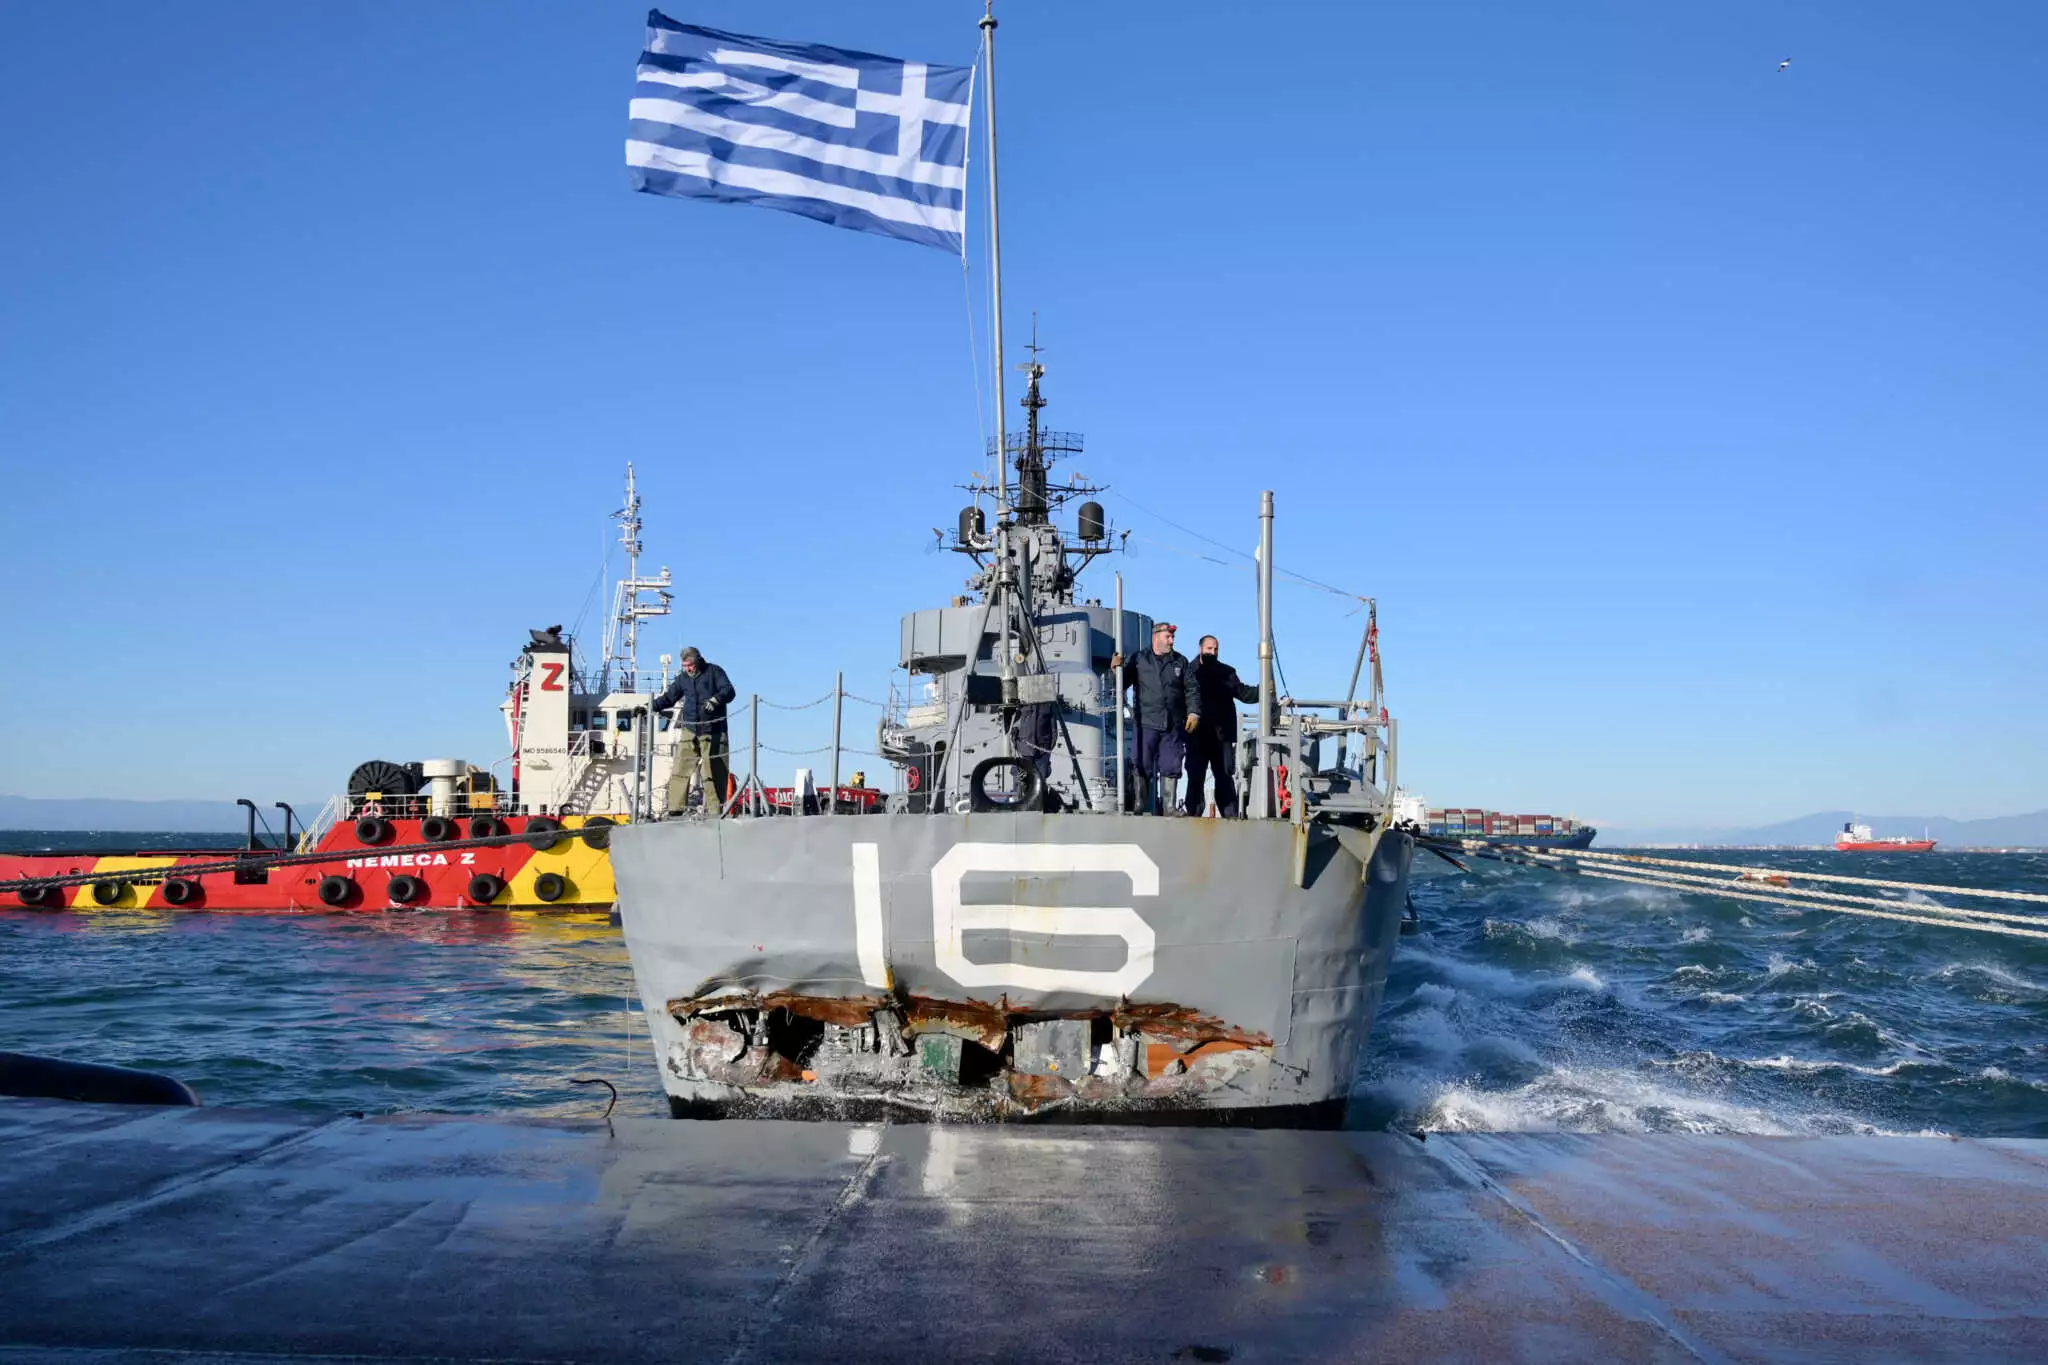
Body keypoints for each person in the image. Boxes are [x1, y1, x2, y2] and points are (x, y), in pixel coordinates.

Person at [1110, 621, 1201, 814]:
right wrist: (1115, 671)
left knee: (1171, 763)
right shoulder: (1139, 659)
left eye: (1172, 637)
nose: (1171, 641)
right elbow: (1121, 684)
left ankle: (1169, 807)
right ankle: (1139, 805)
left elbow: (1192, 689)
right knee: (1142, 763)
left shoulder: (1180, 661)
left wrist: (1193, 712)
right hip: (1146, 722)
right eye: (1168, 637)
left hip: (1173, 724)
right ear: (1156, 637)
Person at [653, 647, 736, 817]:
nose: (688, 669)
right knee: (680, 768)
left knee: (713, 771)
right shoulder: (683, 679)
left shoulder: (714, 672)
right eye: (685, 666)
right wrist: (649, 707)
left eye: (690, 665)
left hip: (713, 730)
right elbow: (669, 698)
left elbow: (729, 691)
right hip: (690, 729)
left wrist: (716, 700)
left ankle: (715, 810)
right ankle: (675, 809)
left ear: (698, 661)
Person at [1186, 635, 1261, 818]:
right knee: (1195, 776)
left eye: (1215, 649)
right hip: (1197, 734)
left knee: (1224, 776)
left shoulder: (1226, 672)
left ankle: (1230, 814)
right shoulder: (1189, 672)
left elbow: (1243, 693)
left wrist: (1263, 689)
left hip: (1221, 736)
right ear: (1200, 649)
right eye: (1209, 649)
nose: (1213, 652)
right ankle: (1193, 813)